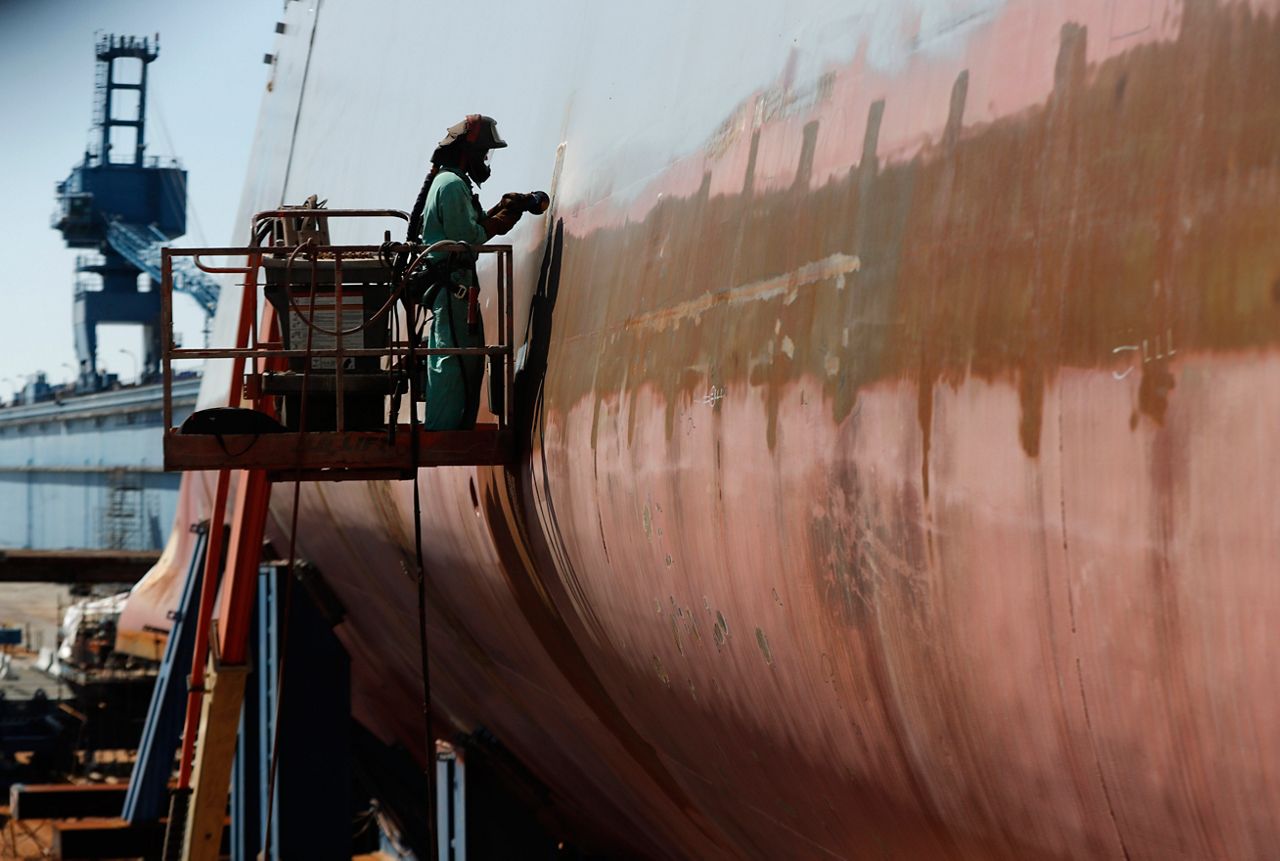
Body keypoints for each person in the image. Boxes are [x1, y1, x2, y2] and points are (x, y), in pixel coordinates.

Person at [406, 115, 528, 430]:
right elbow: (467, 238)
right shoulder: (451, 184)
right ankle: (445, 431)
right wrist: (501, 220)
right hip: (453, 289)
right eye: (484, 152)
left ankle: (448, 426)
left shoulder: (448, 182)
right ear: (467, 152)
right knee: (454, 362)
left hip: (455, 290)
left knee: (460, 359)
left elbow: (466, 228)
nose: (486, 160)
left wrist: (497, 211)